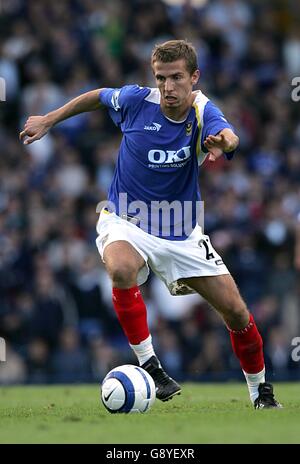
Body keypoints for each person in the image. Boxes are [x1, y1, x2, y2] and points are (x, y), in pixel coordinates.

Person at [20, 39, 281, 409]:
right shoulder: (134, 101)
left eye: (176, 78)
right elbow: (97, 96)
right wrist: (49, 119)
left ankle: (261, 393)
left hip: (181, 230)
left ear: (194, 77)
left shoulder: (203, 111)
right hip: (126, 219)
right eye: (161, 78)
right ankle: (151, 366)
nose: (168, 87)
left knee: (237, 311)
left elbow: (229, 135)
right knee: (121, 268)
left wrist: (224, 142)